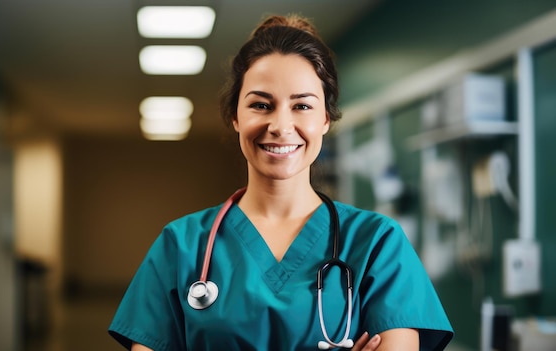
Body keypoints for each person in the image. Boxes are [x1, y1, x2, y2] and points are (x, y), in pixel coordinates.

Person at [109, 14, 454, 351]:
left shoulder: (377, 243)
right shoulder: (181, 246)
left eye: (302, 105)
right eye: (261, 104)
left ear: (325, 119)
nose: (281, 125)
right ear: (235, 116)